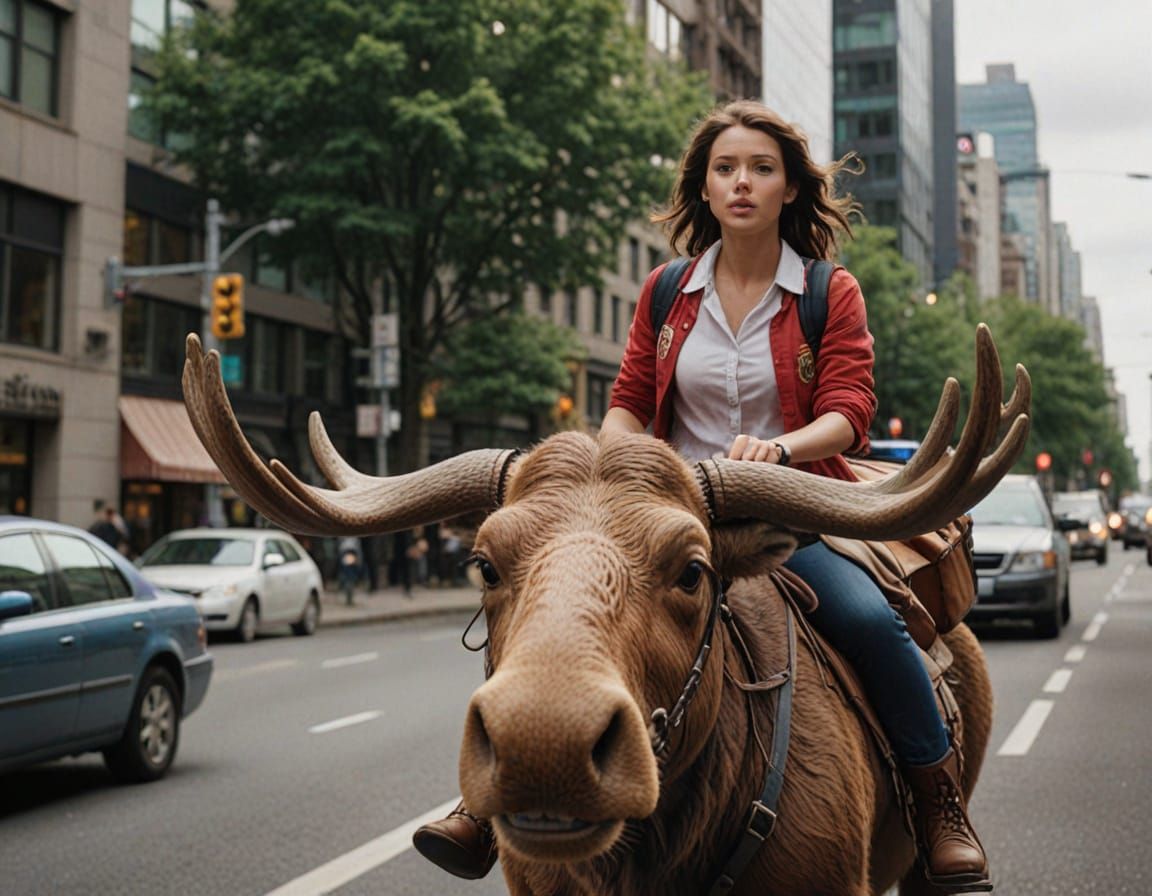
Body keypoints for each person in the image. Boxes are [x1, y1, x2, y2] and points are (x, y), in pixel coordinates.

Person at [413, 100, 990, 893]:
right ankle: (493, 795)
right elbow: (630, 397)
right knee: (546, 612)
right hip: (662, 519)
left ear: (789, 188)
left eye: (761, 168)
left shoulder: (828, 291)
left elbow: (849, 413)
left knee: (870, 624)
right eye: (726, 169)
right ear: (705, 188)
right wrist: (606, 466)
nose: (742, 183)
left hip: (789, 508)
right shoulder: (666, 291)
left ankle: (939, 809)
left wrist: (781, 449)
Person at [337, 536, 363, 606]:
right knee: (349, 575)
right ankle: (348, 597)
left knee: (349, 575)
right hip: (350, 551)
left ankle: (349, 596)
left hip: (348, 552)